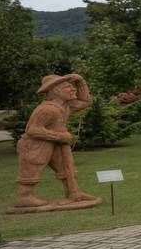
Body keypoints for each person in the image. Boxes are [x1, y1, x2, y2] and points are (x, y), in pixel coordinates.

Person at [12, 73, 99, 209]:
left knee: (65, 167)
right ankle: (24, 197)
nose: (73, 89)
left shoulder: (67, 106)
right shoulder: (47, 109)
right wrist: (60, 136)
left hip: (56, 143)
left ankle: (74, 193)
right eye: (68, 87)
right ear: (57, 91)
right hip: (36, 144)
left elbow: (86, 101)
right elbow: (32, 129)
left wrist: (81, 81)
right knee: (33, 167)